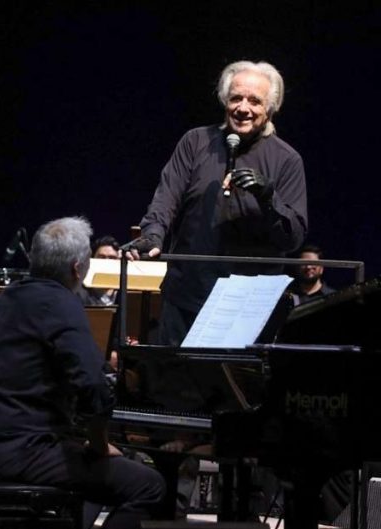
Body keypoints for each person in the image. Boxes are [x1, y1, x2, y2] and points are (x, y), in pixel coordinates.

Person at [0, 216, 165, 529]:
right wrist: (98, 443)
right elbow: (93, 385)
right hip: (21, 451)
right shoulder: (62, 302)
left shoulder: (11, 296)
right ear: (77, 268)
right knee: (148, 485)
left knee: (96, 478)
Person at [129, 60, 308, 345]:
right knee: (176, 373)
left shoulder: (287, 160)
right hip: (187, 295)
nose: (243, 108)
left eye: (255, 101)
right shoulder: (195, 142)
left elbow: (293, 238)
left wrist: (267, 196)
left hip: (247, 307)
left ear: (271, 108)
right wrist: (153, 234)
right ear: (225, 101)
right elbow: (165, 199)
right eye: (236, 98)